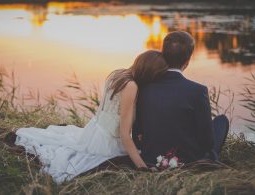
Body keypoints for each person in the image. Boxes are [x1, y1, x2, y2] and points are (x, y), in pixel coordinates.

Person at [15, 50, 168, 183]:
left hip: (94, 130)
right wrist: (142, 168)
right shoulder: (131, 86)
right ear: (150, 73)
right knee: (137, 156)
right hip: (106, 141)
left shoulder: (119, 73)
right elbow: (124, 134)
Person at [133, 31, 229, 166]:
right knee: (221, 121)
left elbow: (137, 134)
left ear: (163, 55)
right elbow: (207, 143)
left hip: (151, 157)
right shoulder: (198, 91)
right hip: (189, 159)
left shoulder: (143, 87)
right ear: (187, 61)